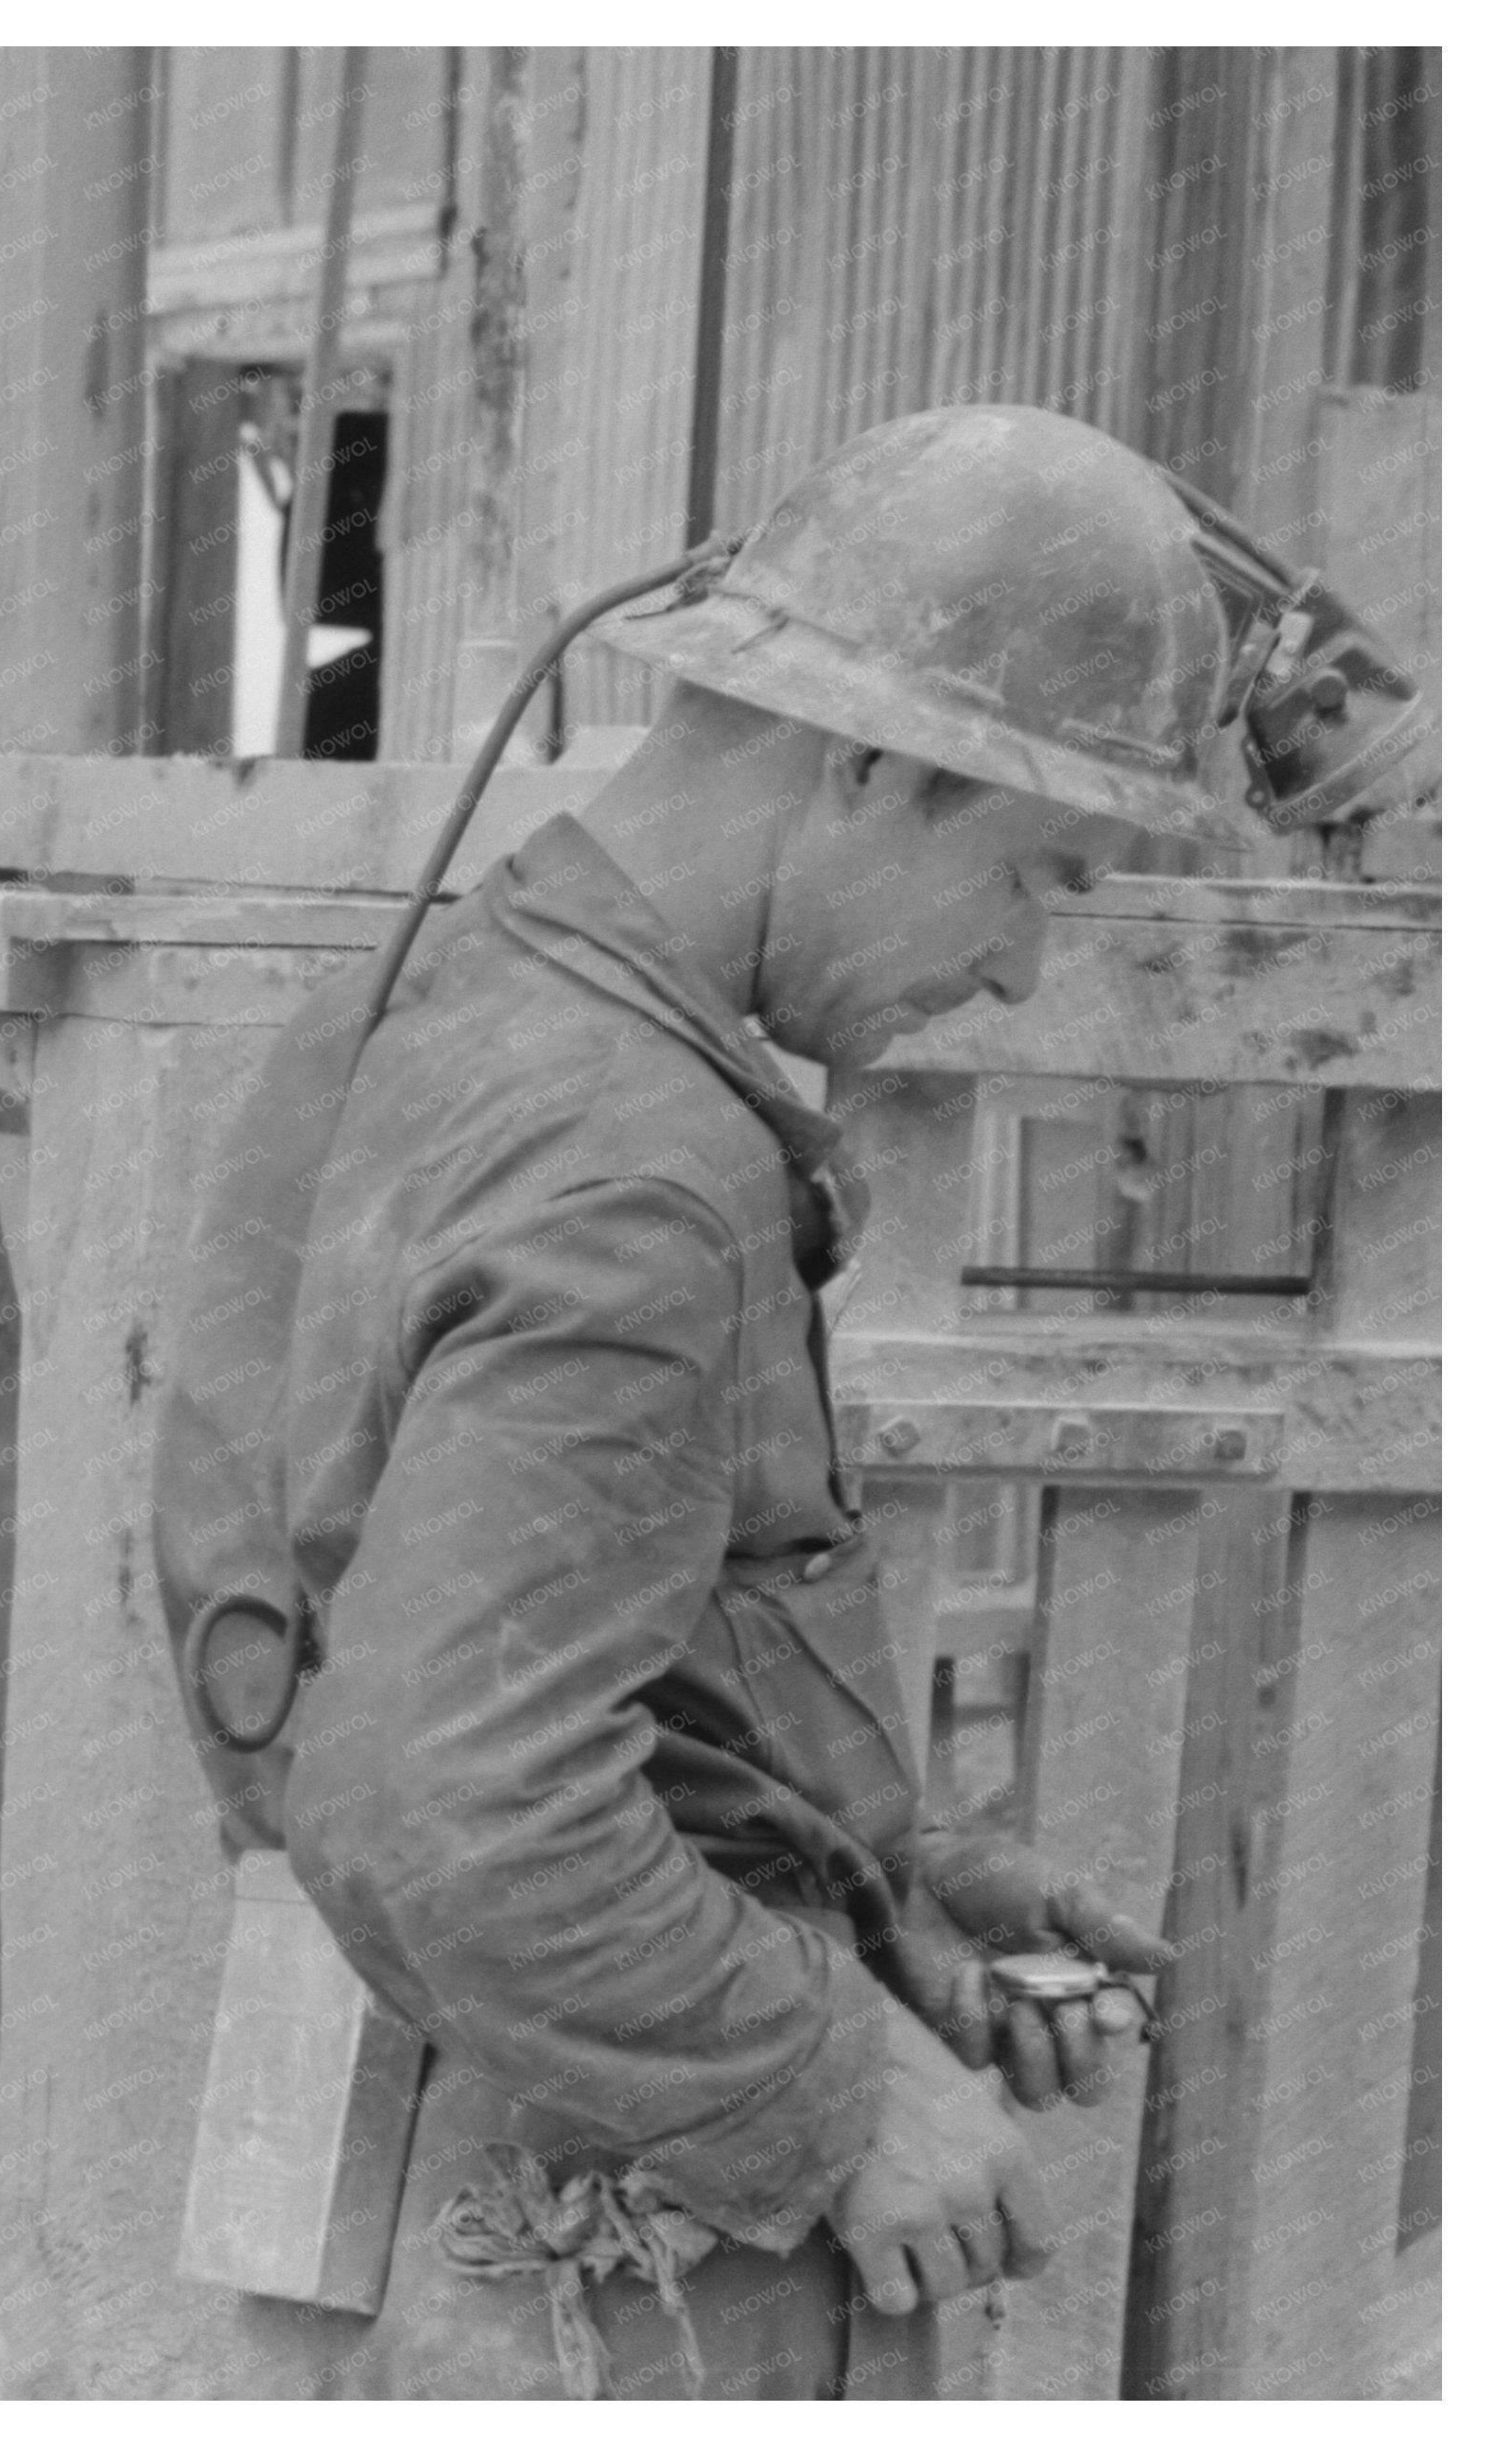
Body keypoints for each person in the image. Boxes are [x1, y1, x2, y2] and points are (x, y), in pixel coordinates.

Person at [148, 403, 1365, 2397]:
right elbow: (455, 1808)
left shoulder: (448, 1009)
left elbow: (385, 1630)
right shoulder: (638, 1176)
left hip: (473, 2135)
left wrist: (883, 1861)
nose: (1009, 969)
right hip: (622, 2235)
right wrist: (830, 2075)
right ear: (874, 763)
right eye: (1038, 873)